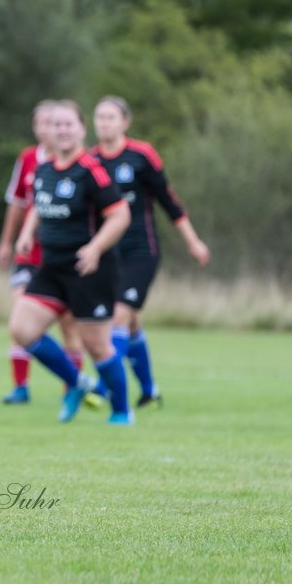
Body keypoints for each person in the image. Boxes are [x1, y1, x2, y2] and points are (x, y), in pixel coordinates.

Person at [9, 100, 133, 425]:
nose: (61, 130)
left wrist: (94, 249)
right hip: (51, 267)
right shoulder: (44, 168)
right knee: (21, 329)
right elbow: (40, 203)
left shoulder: (91, 169)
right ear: (47, 130)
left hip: (89, 270)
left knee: (97, 346)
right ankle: (79, 384)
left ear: (81, 129)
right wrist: (27, 232)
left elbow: (120, 215)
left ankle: (122, 412)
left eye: (68, 124)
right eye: (56, 125)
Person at [90, 96, 210, 407]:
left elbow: (169, 202)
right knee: (129, 322)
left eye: (110, 117)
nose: (104, 122)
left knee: (118, 315)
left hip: (141, 250)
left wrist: (193, 241)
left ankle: (106, 388)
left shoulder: (142, 155)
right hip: (107, 254)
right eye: (99, 117)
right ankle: (149, 389)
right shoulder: (89, 162)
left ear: (125, 122)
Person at [0, 101, 88, 404]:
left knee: (70, 326)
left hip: (65, 259)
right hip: (30, 256)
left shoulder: (83, 165)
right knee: (20, 315)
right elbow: (20, 203)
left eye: (55, 123)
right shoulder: (29, 160)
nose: (49, 129)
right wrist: (8, 241)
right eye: (43, 123)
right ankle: (21, 386)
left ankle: (71, 388)